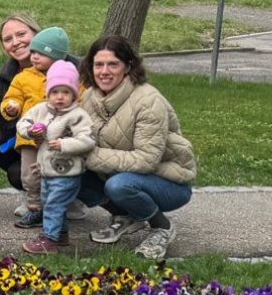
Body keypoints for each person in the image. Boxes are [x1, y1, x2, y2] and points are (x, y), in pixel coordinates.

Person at [75, 36, 198, 260]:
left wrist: (89, 157)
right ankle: (125, 216)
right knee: (68, 169)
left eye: (113, 64)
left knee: (119, 185)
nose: (104, 71)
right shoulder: (89, 97)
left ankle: (162, 227)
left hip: (168, 181)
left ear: (128, 67)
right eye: (98, 64)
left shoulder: (148, 101)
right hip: (119, 172)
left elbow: (146, 160)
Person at [13, 60, 95, 255]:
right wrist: (30, 131)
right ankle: (61, 234)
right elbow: (23, 122)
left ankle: (49, 240)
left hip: (67, 172)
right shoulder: (41, 109)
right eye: (55, 92)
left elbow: (88, 140)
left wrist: (65, 144)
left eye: (66, 92)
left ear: (74, 94)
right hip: (46, 171)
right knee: (50, 203)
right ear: (48, 92)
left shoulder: (78, 116)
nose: (60, 97)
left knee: (54, 205)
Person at [0, 26, 71, 220]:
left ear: (56, 56)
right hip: (30, 138)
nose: (35, 57)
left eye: (41, 53)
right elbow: (12, 97)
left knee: (59, 172)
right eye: (33, 52)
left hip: (58, 139)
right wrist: (11, 107)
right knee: (29, 173)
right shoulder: (23, 77)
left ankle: (67, 204)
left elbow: (78, 100)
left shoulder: (68, 76)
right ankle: (33, 205)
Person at [0, 14, 42, 195]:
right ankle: (33, 194)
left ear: (36, 33)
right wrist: (18, 116)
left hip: (64, 138)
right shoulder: (4, 79)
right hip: (28, 137)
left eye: (21, 34)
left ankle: (72, 196)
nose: (16, 42)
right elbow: (4, 123)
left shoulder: (64, 65)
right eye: (8, 39)